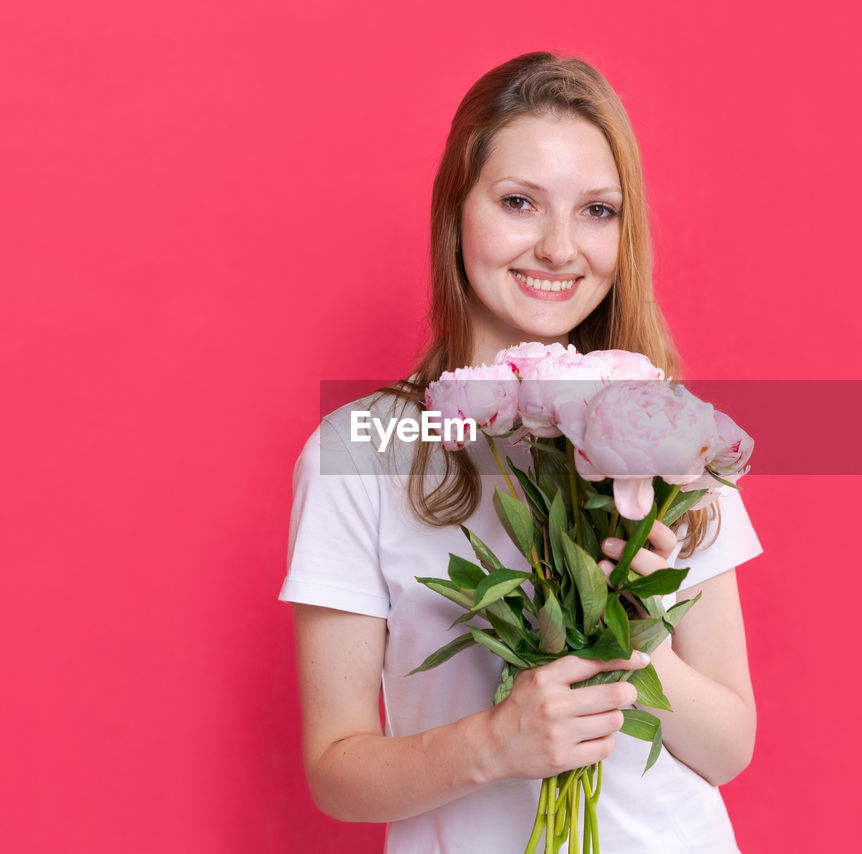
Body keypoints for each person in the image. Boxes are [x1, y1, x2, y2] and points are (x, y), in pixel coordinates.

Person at [281, 52, 764, 853]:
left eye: (597, 211)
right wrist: (496, 744)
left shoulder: (664, 430)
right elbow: (335, 771)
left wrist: (636, 640)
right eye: (519, 203)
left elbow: (729, 746)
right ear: (455, 214)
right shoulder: (360, 451)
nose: (560, 247)